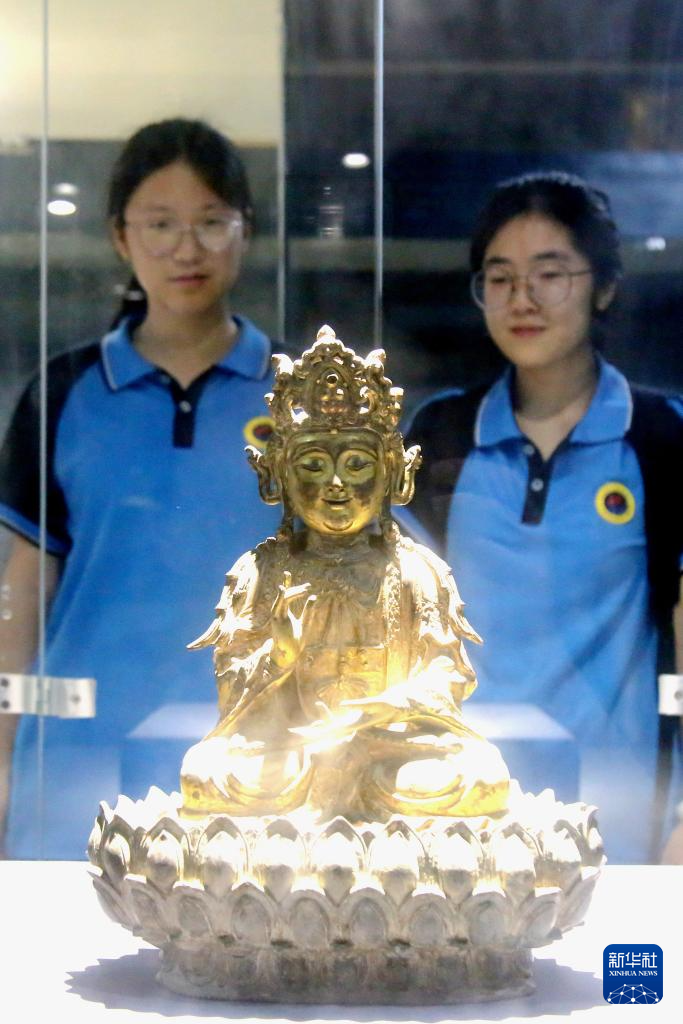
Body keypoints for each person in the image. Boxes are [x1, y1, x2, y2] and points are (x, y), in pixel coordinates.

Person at [0, 118, 280, 858]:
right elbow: (25, 587)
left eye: (210, 222)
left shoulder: (300, 393)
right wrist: (1, 753)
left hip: (254, 764)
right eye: (159, 224)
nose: (187, 249)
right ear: (121, 238)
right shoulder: (67, 390)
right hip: (77, 758)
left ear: (246, 230)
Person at [402, 171, 683, 863]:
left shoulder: (660, 437)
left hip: (618, 824)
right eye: (500, 278)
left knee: (619, 942)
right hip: (461, 822)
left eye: (550, 274)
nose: (522, 299)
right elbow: (395, 629)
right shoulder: (440, 435)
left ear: (603, 287)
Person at [179, 327, 510, 822]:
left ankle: (347, 786)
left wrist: (393, 705)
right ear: (278, 478)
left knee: (482, 781)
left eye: (356, 464)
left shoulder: (416, 570)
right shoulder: (263, 572)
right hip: (292, 751)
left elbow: (446, 673)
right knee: (205, 776)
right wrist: (280, 656)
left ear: (393, 476)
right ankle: (337, 790)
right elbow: (233, 684)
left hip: (388, 747)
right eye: (313, 465)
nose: (335, 484)